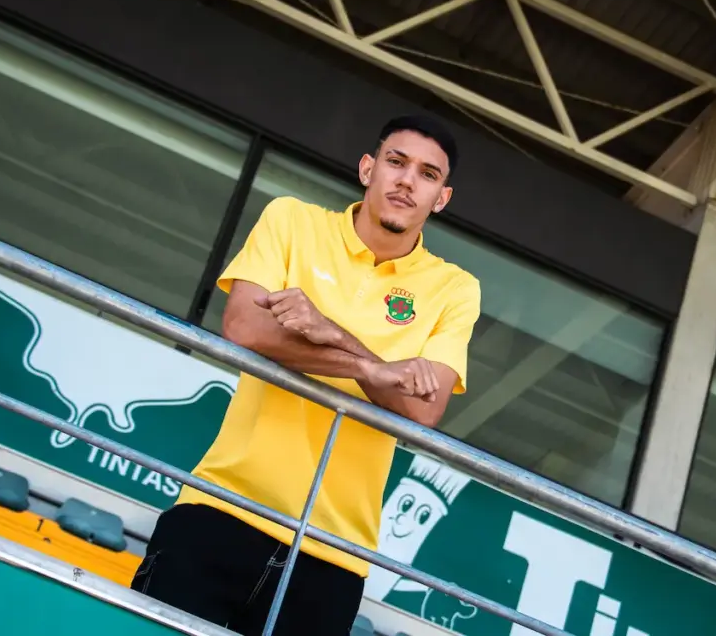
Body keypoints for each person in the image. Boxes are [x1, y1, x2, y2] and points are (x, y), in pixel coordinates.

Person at [132, 115, 482, 635]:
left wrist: (330, 332)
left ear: (441, 198)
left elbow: (423, 410)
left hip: (333, 553)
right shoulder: (293, 221)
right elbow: (245, 326)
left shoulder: (454, 288)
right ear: (368, 168)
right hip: (222, 507)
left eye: (428, 174)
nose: (408, 181)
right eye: (396, 162)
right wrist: (377, 370)